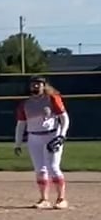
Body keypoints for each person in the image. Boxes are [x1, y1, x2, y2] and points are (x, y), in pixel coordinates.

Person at [14, 77, 70, 209]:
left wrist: (62, 135)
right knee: (40, 169)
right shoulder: (25, 104)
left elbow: (64, 118)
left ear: (44, 86)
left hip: (52, 135)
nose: (35, 86)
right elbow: (21, 124)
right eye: (33, 84)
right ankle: (44, 199)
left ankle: (61, 199)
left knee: (53, 167)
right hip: (34, 137)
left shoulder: (52, 99)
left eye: (38, 84)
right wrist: (17, 143)